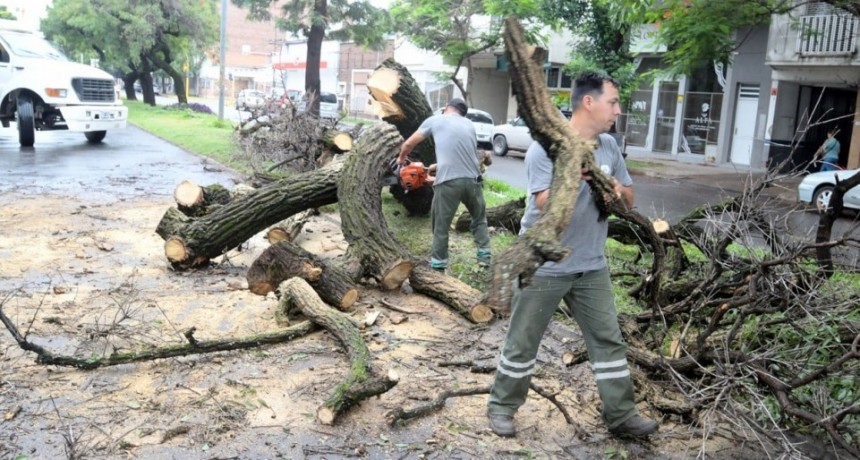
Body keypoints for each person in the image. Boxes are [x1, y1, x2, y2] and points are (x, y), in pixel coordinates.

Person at [486, 71, 658, 438]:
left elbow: (628, 198)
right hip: (544, 263)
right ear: (589, 102)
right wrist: (572, 175)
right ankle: (501, 407)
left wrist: (613, 188)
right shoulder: (545, 146)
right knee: (523, 339)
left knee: (608, 339)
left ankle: (622, 415)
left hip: (590, 265)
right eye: (612, 102)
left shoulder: (609, 147)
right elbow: (544, 202)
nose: (618, 110)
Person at [396, 98, 491, 271]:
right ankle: (484, 259)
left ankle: (438, 266)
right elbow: (464, 155)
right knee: (479, 219)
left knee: (440, 226)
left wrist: (401, 159)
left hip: (449, 183)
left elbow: (409, 143)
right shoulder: (469, 124)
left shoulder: (435, 120)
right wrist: (437, 166)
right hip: (473, 180)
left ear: (446, 108)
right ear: (463, 113)